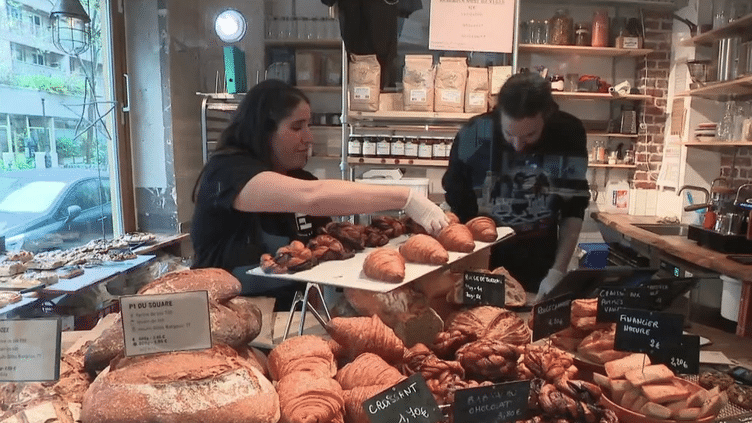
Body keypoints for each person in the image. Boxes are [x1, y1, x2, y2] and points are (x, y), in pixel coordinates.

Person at [191, 80, 448, 307]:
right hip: (225, 317)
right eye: (297, 127)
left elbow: (323, 255)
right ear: (263, 131)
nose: (309, 138)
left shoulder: (299, 178)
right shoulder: (226, 174)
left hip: (290, 319)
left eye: (309, 126)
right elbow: (311, 197)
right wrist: (406, 198)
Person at [442, 72, 590, 299]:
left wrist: (558, 271)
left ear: (547, 116)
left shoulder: (567, 135)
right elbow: (457, 205)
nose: (518, 145)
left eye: (530, 135)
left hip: (539, 269)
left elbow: (573, 208)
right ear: (499, 114)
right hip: (480, 266)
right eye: (509, 134)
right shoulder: (474, 135)